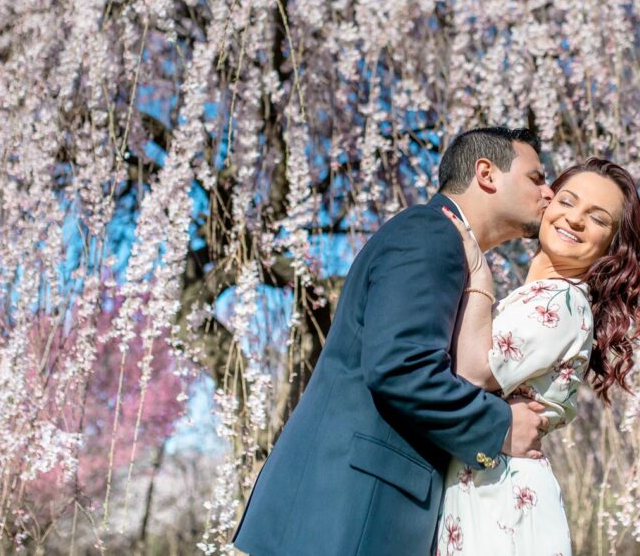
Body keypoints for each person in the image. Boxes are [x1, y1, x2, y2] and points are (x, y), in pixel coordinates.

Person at [233, 127, 557, 556]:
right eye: (537, 177)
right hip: (349, 517)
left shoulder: (445, 244)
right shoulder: (431, 234)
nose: (550, 193)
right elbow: (401, 367)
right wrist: (500, 426)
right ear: (486, 173)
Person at [434, 157, 640, 555]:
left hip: (502, 498)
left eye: (598, 219)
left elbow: (470, 371)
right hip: (483, 486)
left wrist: (479, 275)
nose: (575, 220)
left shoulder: (563, 301)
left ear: (611, 246)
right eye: (567, 201)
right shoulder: (537, 296)